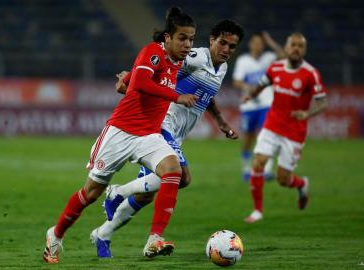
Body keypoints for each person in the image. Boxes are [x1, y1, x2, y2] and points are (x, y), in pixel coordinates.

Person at [42, 7, 198, 264]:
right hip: (120, 133)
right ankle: (55, 235)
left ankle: (155, 238)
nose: (187, 44)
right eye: (182, 38)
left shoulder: (178, 61)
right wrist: (176, 96)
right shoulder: (153, 52)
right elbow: (141, 83)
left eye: (191, 39)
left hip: (148, 135)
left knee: (173, 171)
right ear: (167, 38)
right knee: (90, 193)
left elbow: (137, 81)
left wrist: (129, 77)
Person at [89, 20, 245, 258]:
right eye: (222, 43)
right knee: (181, 177)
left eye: (232, 47)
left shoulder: (220, 68)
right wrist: (129, 80)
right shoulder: (194, 58)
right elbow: (159, 69)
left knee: (145, 195)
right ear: (211, 39)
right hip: (162, 124)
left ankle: (103, 232)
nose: (226, 50)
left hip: (177, 134)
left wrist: (221, 122)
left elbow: (207, 95)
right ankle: (121, 197)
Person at [242, 32, 328, 223]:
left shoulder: (310, 73)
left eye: (300, 46)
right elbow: (262, 85)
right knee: (258, 163)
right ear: (287, 48)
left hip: (294, 132)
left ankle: (302, 184)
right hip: (272, 125)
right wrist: (250, 95)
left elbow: (323, 102)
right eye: (293, 45)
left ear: (304, 50)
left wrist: (307, 114)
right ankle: (257, 211)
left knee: (283, 179)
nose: (296, 48)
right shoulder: (275, 68)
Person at [233, 32, 285, 181]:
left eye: (261, 43)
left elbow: (283, 56)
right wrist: (248, 86)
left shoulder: (269, 58)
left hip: (267, 103)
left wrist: (271, 42)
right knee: (248, 139)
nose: (258, 46)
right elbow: (237, 81)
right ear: (250, 44)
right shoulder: (243, 61)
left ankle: (267, 170)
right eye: (255, 43)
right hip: (249, 105)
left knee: (266, 136)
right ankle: (246, 169)